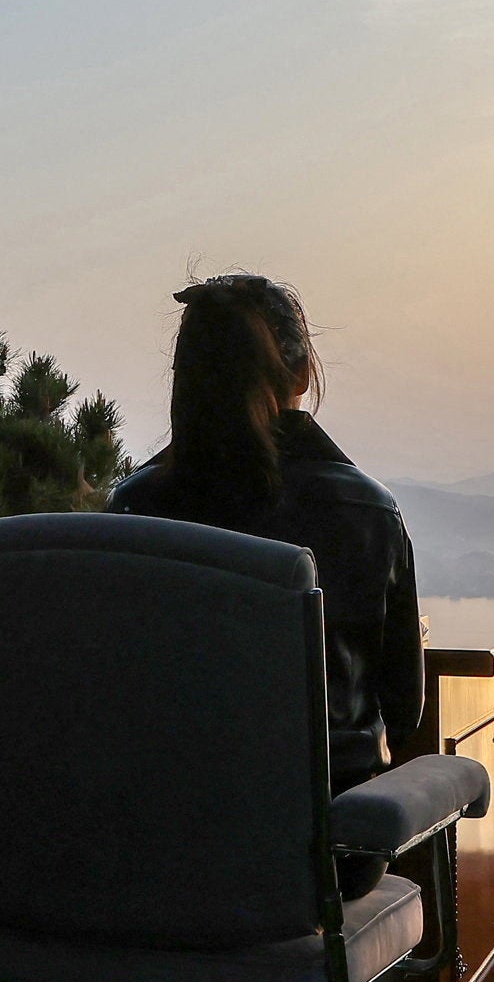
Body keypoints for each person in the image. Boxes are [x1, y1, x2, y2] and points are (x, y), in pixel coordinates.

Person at [110, 274, 423, 790]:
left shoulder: (134, 510)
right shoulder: (367, 511)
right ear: (300, 374)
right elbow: (403, 711)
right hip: (328, 845)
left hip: (163, 837)